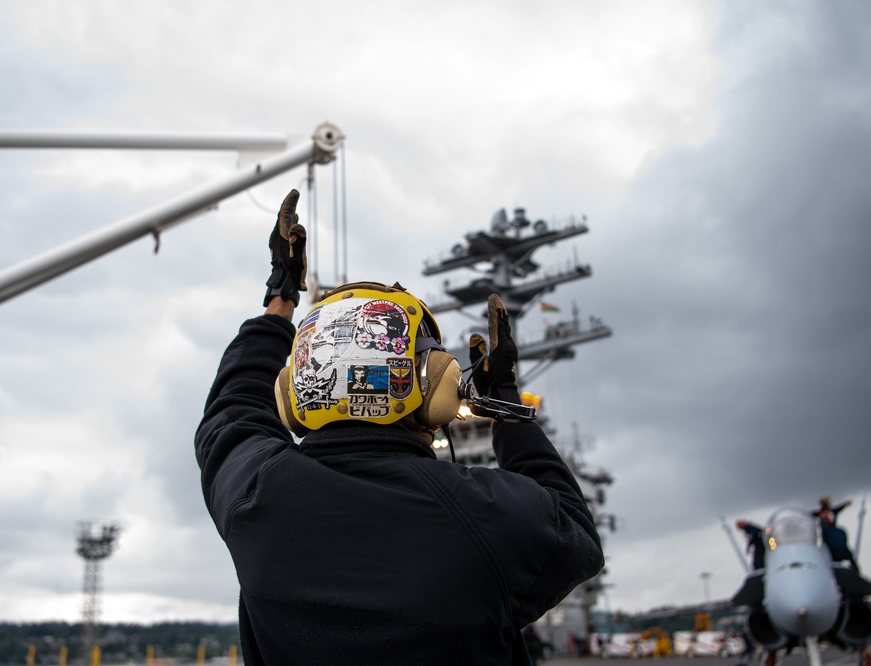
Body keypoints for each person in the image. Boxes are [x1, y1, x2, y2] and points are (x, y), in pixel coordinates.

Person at [195, 189, 605, 665]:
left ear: (291, 391)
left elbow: (233, 406)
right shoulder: (489, 515)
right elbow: (576, 532)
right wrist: (505, 407)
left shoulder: (253, 494)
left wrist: (281, 298)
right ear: (436, 388)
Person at [811, 495, 859, 572]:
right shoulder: (820, 513)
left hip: (832, 534)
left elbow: (839, 508)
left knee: (845, 551)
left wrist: (845, 504)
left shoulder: (831, 512)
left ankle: (855, 568)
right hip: (825, 535)